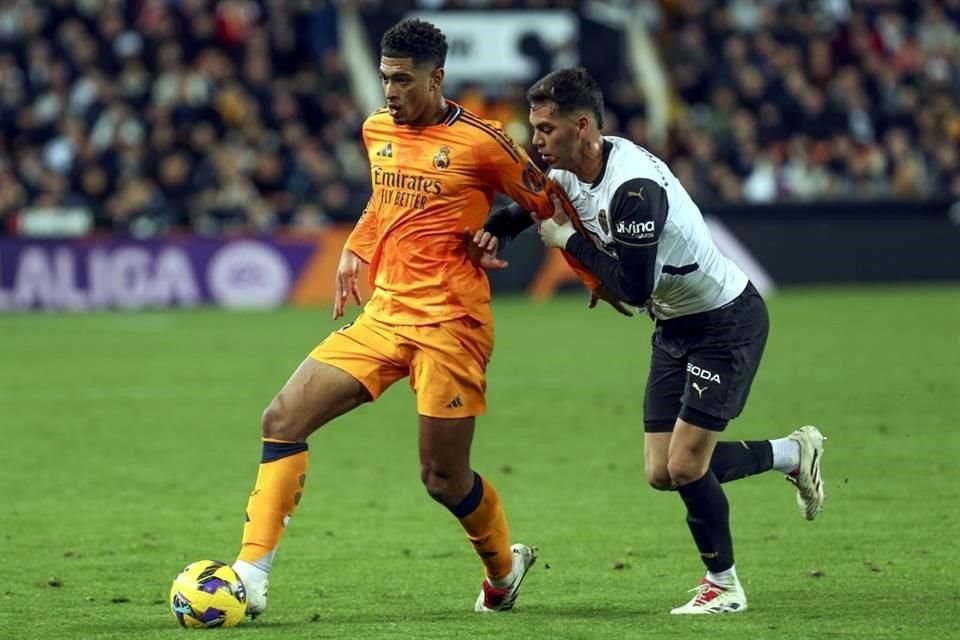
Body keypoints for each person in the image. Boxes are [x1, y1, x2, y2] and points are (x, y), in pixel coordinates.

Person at [229, 20, 599, 618]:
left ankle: (505, 568)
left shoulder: (484, 143)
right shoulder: (377, 129)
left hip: (452, 326)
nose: (390, 92)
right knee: (282, 417)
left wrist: (584, 270)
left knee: (443, 479)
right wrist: (357, 242)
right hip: (386, 314)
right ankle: (251, 575)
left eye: (402, 80)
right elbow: (383, 197)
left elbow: (548, 200)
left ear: (437, 78)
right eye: (384, 79)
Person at [473, 67, 826, 615]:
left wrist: (566, 240)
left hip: (724, 323)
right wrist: (500, 226)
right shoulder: (571, 168)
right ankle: (791, 454)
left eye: (545, 129)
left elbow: (634, 292)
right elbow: (536, 203)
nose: (535, 140)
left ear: (583, 126)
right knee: (661, 470)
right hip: (675, 328)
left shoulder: (633, 191)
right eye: (534, 127)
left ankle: (724, 586)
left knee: (687, 467)